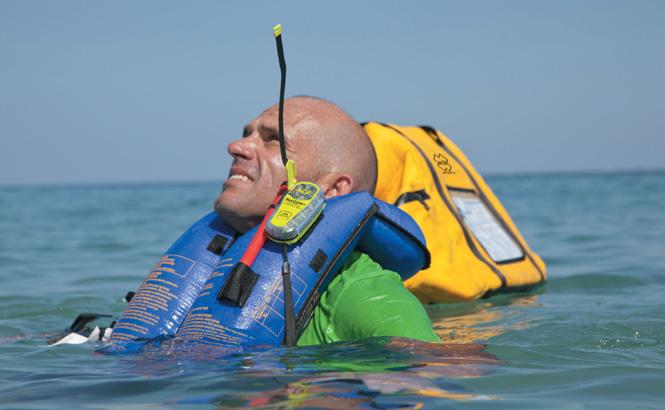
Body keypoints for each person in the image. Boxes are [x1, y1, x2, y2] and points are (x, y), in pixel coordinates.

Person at [213, 95, 439, 346]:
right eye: (247, 134)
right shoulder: (210, 265)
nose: (236, 146)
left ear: (332, 190)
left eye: (274, 139)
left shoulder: (359, 293)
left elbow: (434, 363)